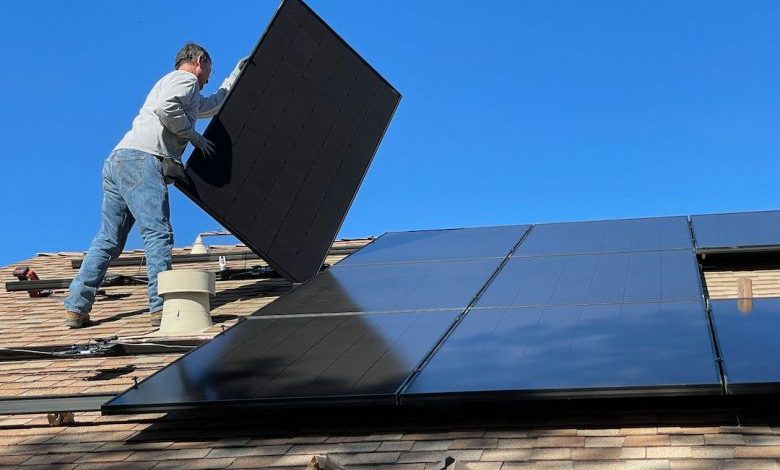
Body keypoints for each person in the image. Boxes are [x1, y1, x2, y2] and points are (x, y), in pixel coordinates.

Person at [64, 43, 247, 328]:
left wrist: (235, 75)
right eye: (210, 69)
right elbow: (167, 108)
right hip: (142, 159)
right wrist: (194, 138)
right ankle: (161, 308)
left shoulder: (177, 86)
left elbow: (212, 105)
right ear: (200, 60)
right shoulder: (184, 80)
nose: (210, 77)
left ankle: (76, 306)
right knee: (157, 233)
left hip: (119, 160)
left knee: (108, 240)